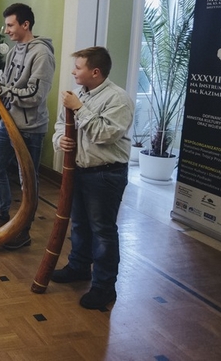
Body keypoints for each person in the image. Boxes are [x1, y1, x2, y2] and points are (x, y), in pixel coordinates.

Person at [51, 46, 134, 310]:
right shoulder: (78, 95)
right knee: (79, 225)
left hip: (105, 174)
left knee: (103, 231)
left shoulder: (118, 99)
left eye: (78, 67)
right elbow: (59, 125)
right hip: (79, 171)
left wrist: (80, 109)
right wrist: (60, 139)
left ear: (95, 72)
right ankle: (78, 267)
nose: (73, 72)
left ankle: (104, 287)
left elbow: (104, 134)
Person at [0, 3, 55, 250]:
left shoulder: (42, 54)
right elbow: (8, 86)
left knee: (27, 181)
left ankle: (23, 231)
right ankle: (2, 215)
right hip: (7, 122)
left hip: (30, 129)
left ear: (25, 24)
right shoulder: (12, 52)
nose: (6, 30)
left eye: (10, 25)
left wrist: (0, 89)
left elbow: (34, 96)